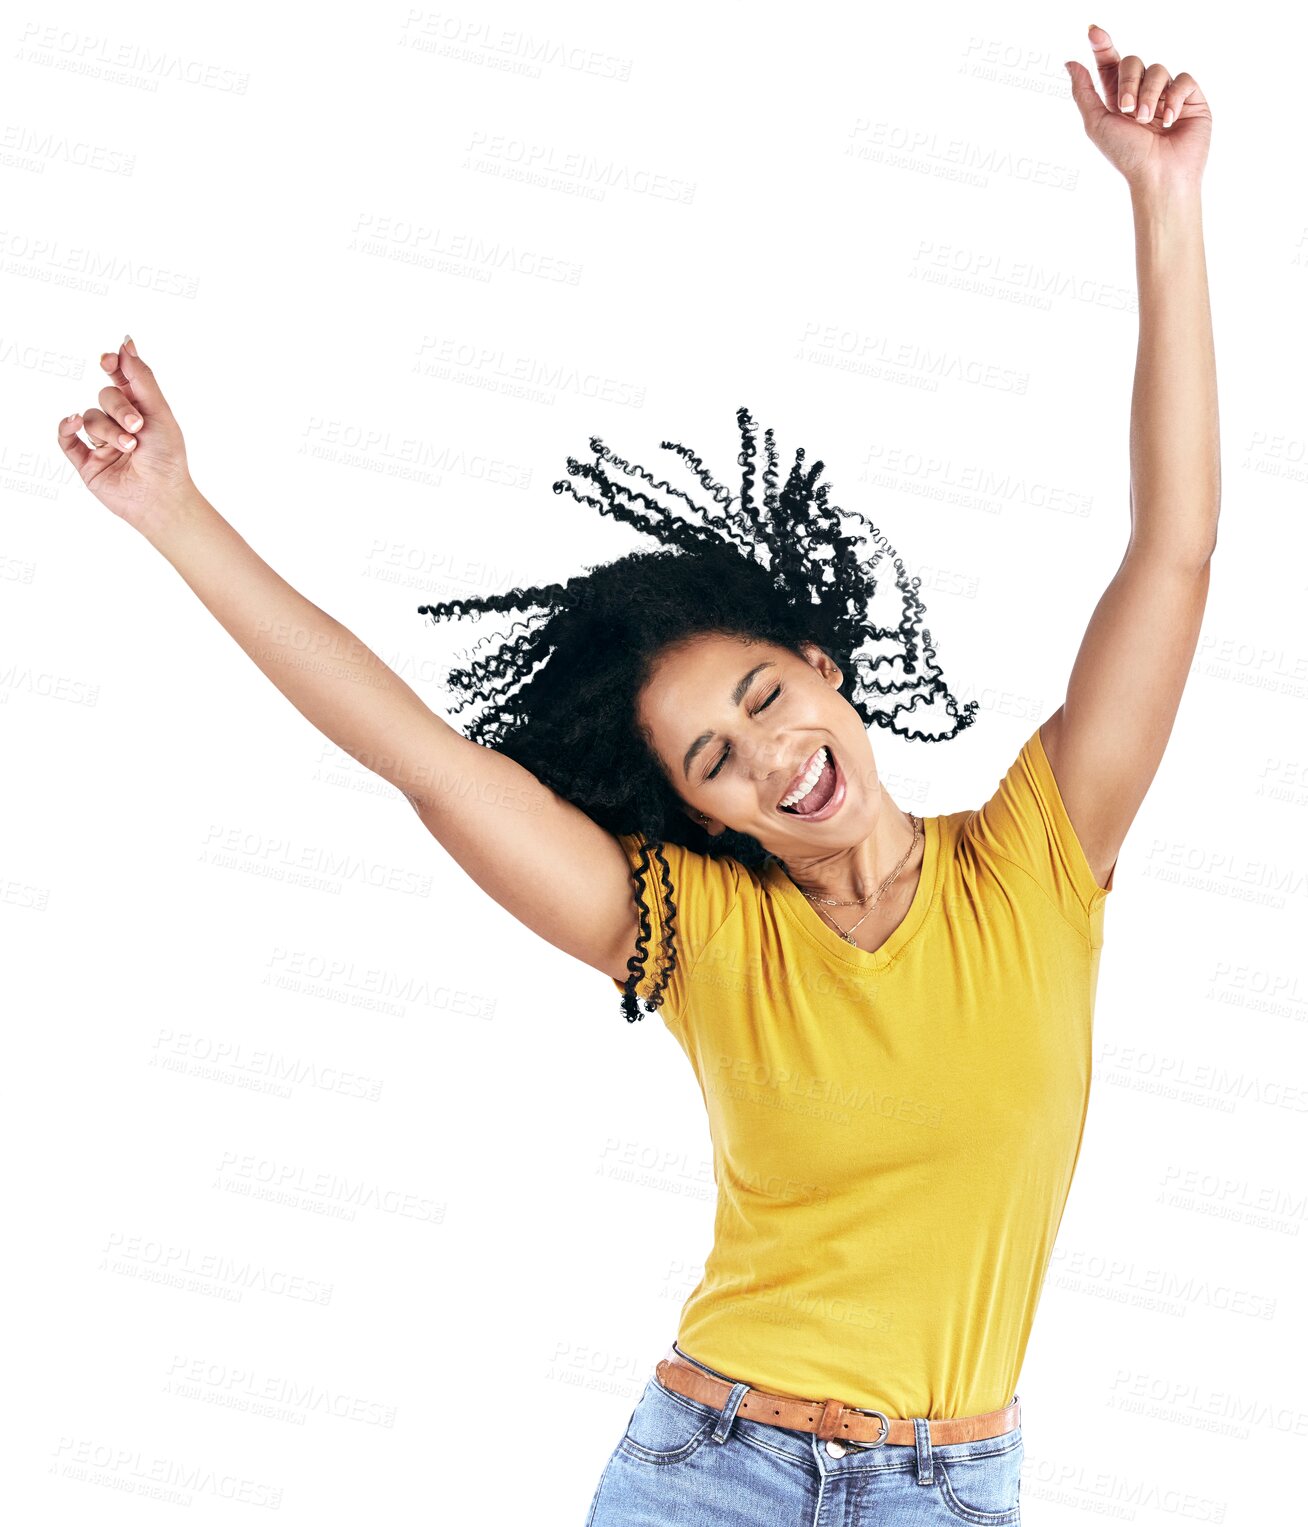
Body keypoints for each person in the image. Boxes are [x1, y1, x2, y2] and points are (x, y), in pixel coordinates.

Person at [56, 23, 1216, 1524]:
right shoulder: (702, 934)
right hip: (708, 1472)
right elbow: (424, 760)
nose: (771, 760)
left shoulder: (1038, 865)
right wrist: (174, 512)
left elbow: (1174, 555)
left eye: (766, 698)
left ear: (828, 670)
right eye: (716, 761)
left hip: (952, 1488)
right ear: (699, 811)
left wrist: (1164, 201)